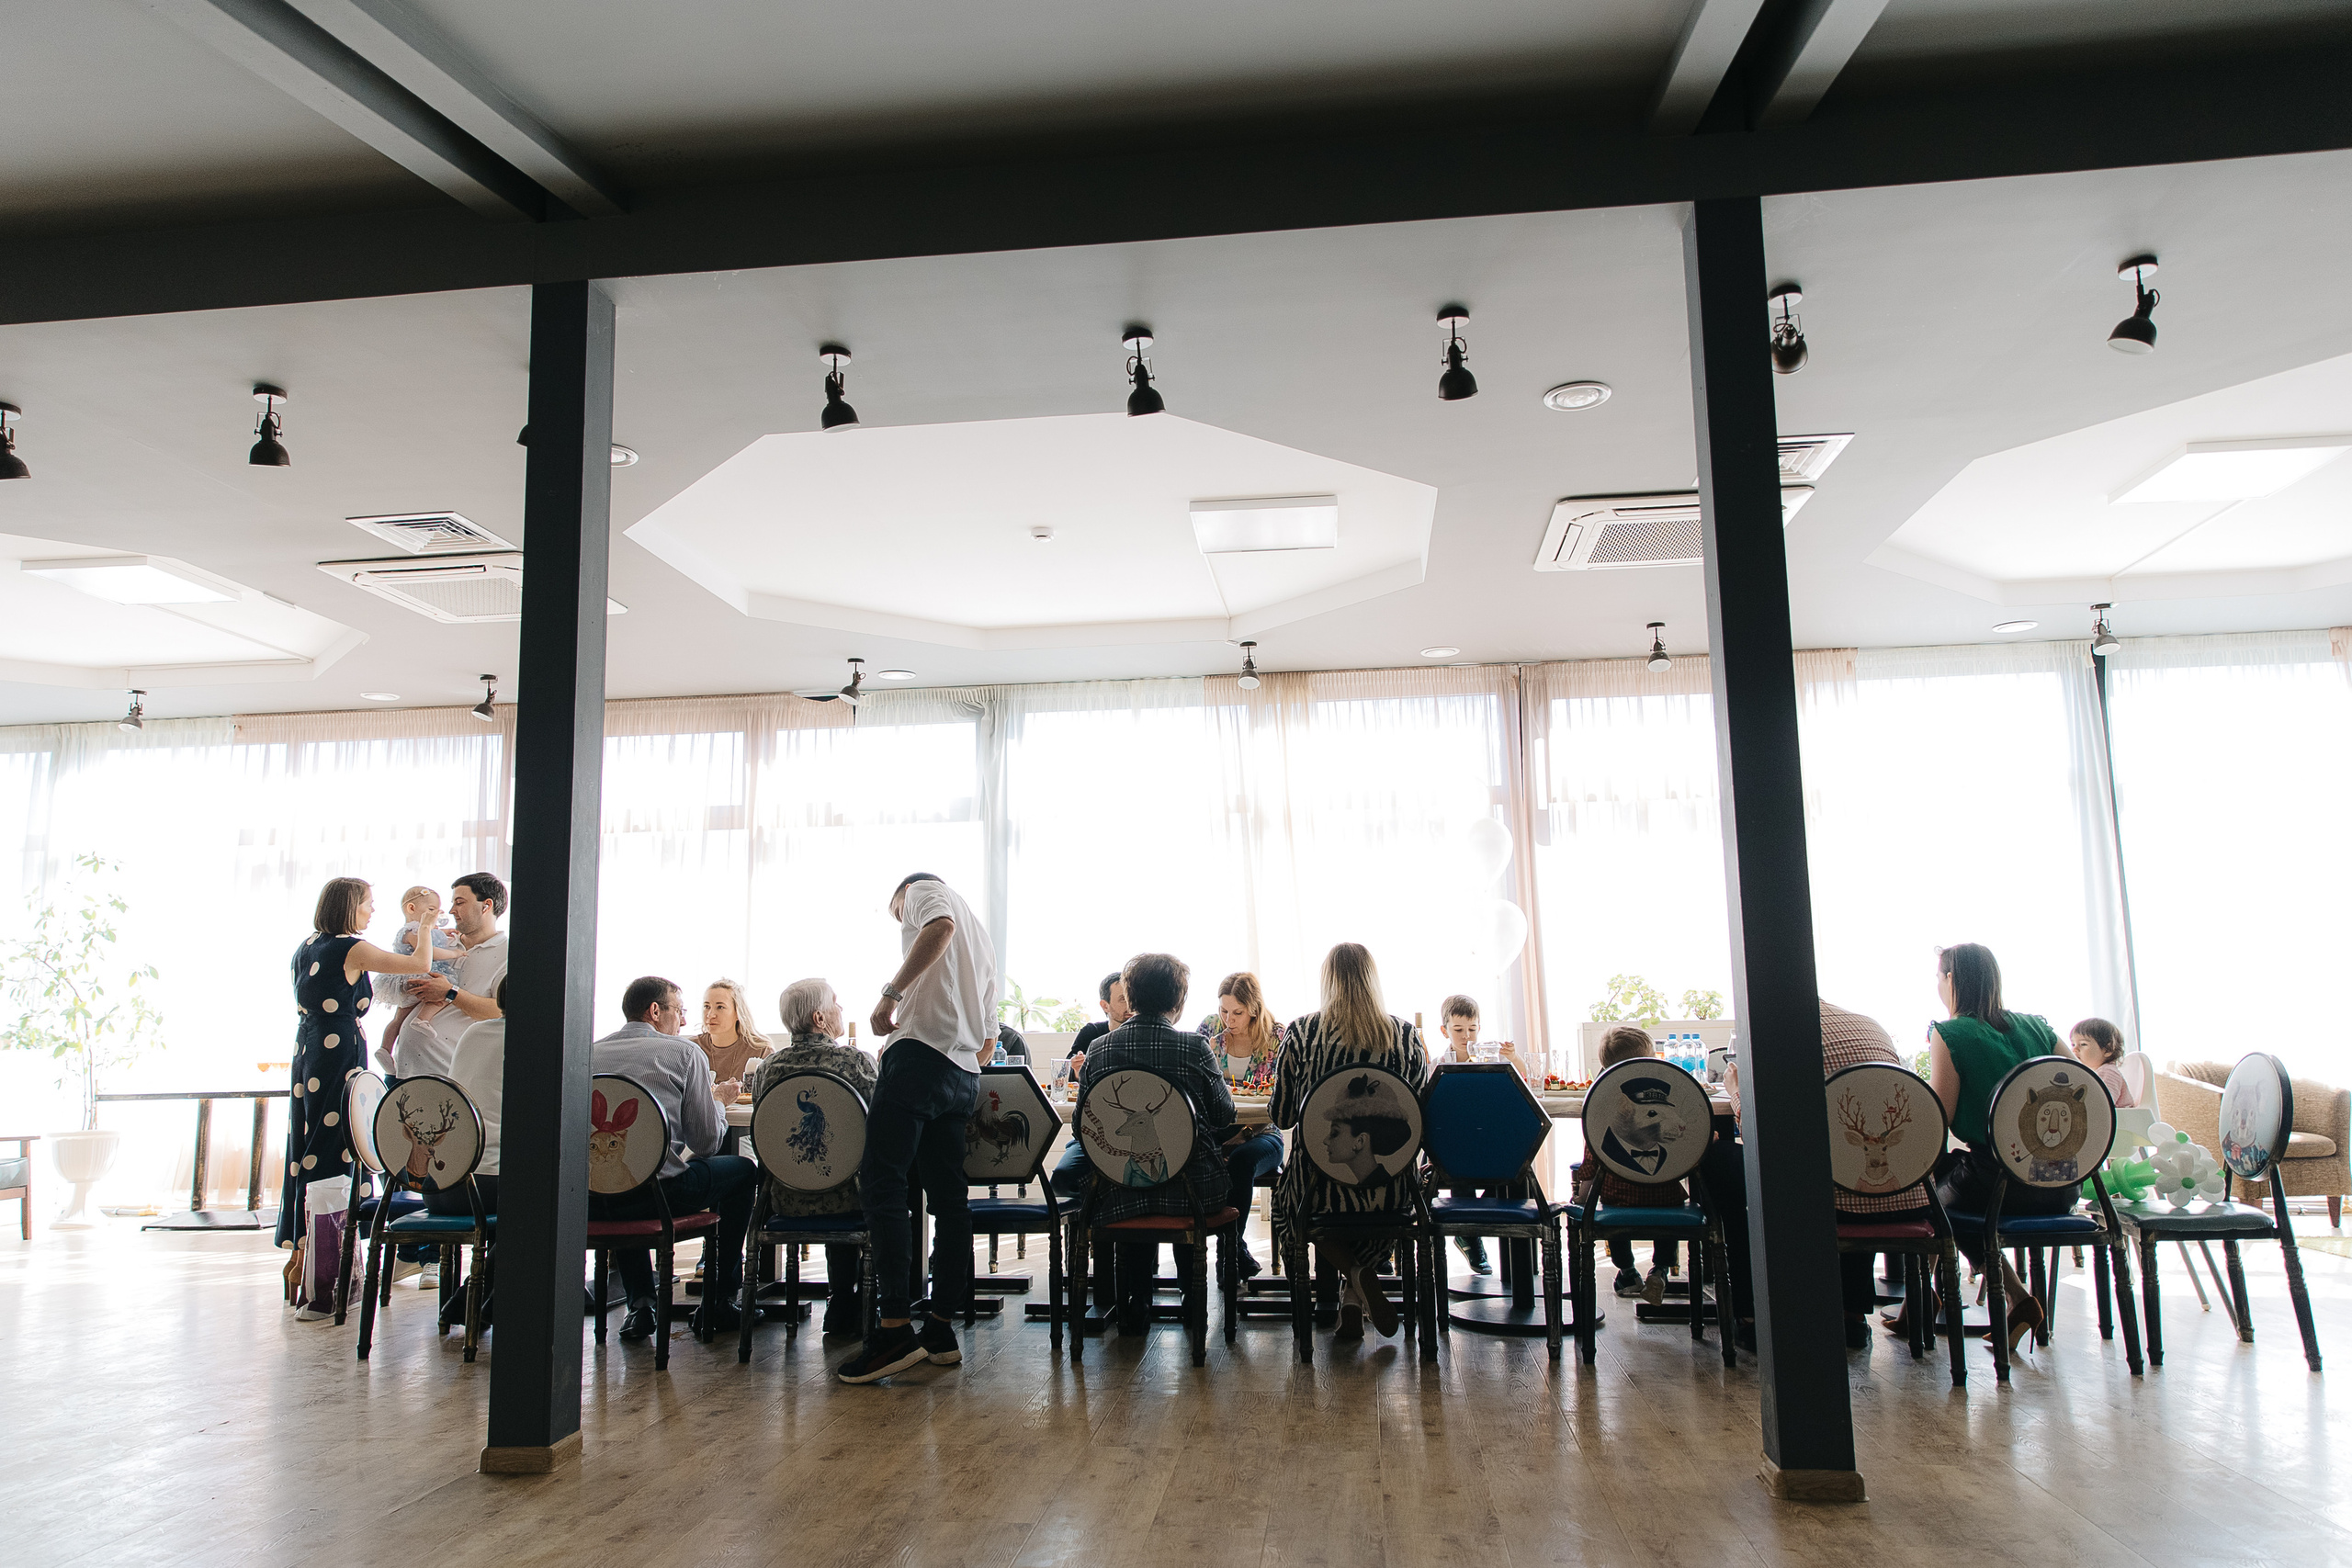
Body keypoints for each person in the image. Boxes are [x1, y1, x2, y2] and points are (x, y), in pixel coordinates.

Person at [837, 872, 998, 1385]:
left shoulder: (926, 890)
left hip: (920, 1057)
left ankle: (893, 1327)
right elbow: (989, 1036)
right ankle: (940, 1329)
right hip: (963, 1073)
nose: (901, 922)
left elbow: (939, 925)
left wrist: (891, 997)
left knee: (883, 1183)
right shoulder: (985, 942)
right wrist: (955, 1063)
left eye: (896, 916)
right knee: (950, 1199)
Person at [1268, 942, 1429, 1341]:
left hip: (1317, 1191)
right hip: (1389, 1188)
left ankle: (1354, 1283)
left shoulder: (1302, 1032)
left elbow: (1283, 1115)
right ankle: (1355, 1296)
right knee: (1370, 1197)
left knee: (1291, 1205)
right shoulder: (1406, 1036)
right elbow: (1422, 1112)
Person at [281, 877, 444, 1266]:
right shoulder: (349, 948)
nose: (372, 911)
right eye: (368, 903)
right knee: (337, 1137)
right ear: (350, 906)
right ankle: (321, 1249)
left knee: (307, 1134)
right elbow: (419, 964)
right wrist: (424, 927)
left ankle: (302, 1242)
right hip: (337, 1049)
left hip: (309, 1046)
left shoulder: (307, 946)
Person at [588, 976, 759, 1342]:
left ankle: (641, 1305)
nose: (684, 1022)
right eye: (680, 1011)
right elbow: (709, 1142)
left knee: (626, 1179)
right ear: (655, 1011)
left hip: (596, 1200)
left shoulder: (588, 1053)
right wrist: (717, 1101)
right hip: (663, 1198)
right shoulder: (683, 1053)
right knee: (743, 1170)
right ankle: (721, 1296)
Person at [1921, 942, 2071, 1354]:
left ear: (1951, 979)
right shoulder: (2039, 1028)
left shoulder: (1949, 1033)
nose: (1937, 984)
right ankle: (1923, 1301)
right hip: (2061, 1186)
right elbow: (2085, 1096)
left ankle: (2012, 1297)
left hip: (1998, 1185)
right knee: (1949, 1185)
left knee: (1932, 1199)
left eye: (1938, 976)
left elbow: (1940, 1118)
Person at [1073, 953, 1234, 1329]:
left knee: (1134, 1193)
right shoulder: (1195, 1048)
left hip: (1118, 1190)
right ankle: (1193, 1303)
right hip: (1192, 1192)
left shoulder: (1099, 1049)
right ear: (1179, 1002)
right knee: (1183, 1178)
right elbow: (1226, 1116)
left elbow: (1084, 1122)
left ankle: (1135, 1305)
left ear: (1129, 995)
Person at [751, 977, 876, 1337]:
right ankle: (856, 1300)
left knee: (821, 1173)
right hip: (848, 1197)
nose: (842, 1010)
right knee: (856, 1173)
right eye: (836, 1003)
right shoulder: (855, 1063)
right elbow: (878, 1123)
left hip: (786, 1199)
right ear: (820, 1018)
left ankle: (840, 1300)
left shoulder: (768, 1070)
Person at [1816, 1000, 1932, 1348]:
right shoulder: (1869, 1023)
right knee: (1851, 1170)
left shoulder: (1777, 1030)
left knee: (1826, 1175)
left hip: (1838, 1204)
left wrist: (1734, 1093)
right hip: (1912, 1194)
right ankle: (1852, 1315)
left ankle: (1759, 1316)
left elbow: (1761, 1125)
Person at [1571, 1025, 1685, 1304]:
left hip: (1617, 1197)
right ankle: (1660, 1269)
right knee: (1670, 1210)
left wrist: (1583, 1195)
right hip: (1666, 1195)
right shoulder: (1674, 1101)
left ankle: (1627, 1271)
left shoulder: (1601, 1107)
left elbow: (1591, 1158)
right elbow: (1688, 1147)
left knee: (1612, 1213)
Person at [1196, 972, 1283, 1280]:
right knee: (1192, 1154)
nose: (1228, 1020)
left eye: (1237, 1013)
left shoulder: (1276, 1037)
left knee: (1242, 1160)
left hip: (1263, 1133)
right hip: (1219, 1131)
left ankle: (1229, 1250)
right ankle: (1234, 1248)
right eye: (1223, 1010)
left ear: (1254, 1010)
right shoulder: (1209, 1030)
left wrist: (1244, 1133)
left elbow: (1281, 1100)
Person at [388, 872, 508, 1080]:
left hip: (447, 1076)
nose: (451, 911)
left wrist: (450, 993)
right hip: (401, 1070)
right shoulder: (441, 942)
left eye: (459, 903)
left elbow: (499, 1011)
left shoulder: (507, 954)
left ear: (486, 906)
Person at [1048, 972, 1134, 1203]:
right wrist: (1077, 1072)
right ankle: (1078, 1237)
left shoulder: (1141, 1037)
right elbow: (1064, 1078)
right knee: (1062, 1177)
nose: (1130, 1005)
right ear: (1104, 1005)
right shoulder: (1092, 1034)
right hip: (1091, 1131)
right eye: (1122, 999)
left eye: (1131, 997)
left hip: (1132, 1130)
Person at [1431, 993, 1495, 1276]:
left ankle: (1471, 1226)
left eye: (1472, 1029)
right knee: (1459, 1155)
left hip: (1483, 1135)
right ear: (1445, 1031)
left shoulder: (1490, 1059)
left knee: (1516, 1161)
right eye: (1458, 1030)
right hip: (1451, 1138)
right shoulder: (1437, 1064)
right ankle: (1470, 1234)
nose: (1466, 1036)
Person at [376, 886, 466, 1059]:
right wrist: (455, 954)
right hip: (416, 976)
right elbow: (430, 951)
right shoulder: (412, 930)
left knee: (399, 1017)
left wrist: (444, 932)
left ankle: (385, 1050)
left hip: (411, 977)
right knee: (447, 990)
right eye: (431, 910)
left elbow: (433, 936)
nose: (436, 915)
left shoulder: (425, 930)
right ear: (411, 909)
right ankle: (423, 1018)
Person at [694, 977, 773, 1103]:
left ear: (737, 1013)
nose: (710, 1015)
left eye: (720, 1007)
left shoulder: (760, 1050)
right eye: (706, 1006)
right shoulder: (691, 1048)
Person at [2071, 1017, 2133, 1109]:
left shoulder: (2108, 1072)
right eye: (2073, 1044)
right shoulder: (2096, 1072)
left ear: (2107, 1049)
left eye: (2083, 1044)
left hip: (2123, 1119)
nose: (2074, 1049)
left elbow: (2105, 1103)